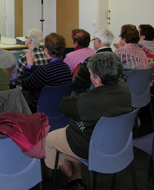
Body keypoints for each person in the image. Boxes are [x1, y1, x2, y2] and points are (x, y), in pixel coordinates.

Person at [44, 52, 133, 190]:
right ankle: (77, 174)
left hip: (91, 146)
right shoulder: (125, 88)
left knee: (48, 140)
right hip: (118, 142)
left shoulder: (87, 102)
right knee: (71, 130)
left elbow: (64, 105)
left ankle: (74, 178)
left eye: (90, 73)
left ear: (97, 80)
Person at [20, 33, 72, 112]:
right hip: (59, 109)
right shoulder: (66, 68)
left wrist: (29, 65)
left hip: (39, 110)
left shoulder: (44, 70)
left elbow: (24, 85)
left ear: (46, 50)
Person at [73, 29, 114, 93]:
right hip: (113, 95)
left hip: (92, 96)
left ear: (98, 41)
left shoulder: (91, 61)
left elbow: (77, 83)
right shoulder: (116, 59)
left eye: (93, 40)